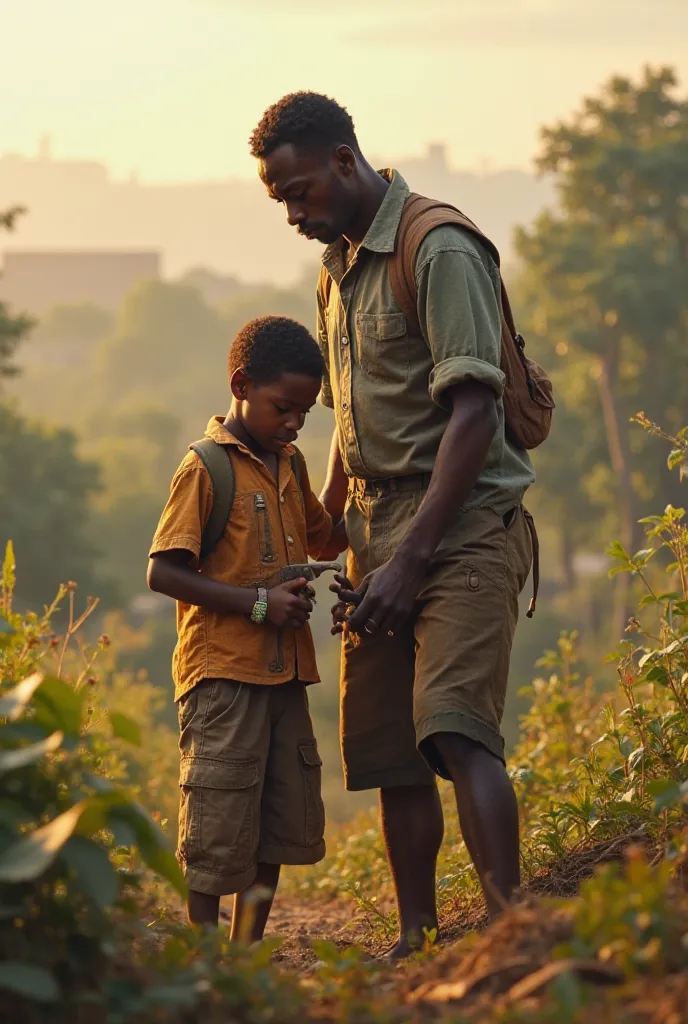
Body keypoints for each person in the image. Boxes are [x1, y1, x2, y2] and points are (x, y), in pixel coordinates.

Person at [250, 93, 536, 957]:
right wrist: (333, 520)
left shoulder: (437, 247)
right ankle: (418, 942)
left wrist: (412, 562)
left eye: (300, 192)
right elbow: (351, 417)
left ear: (345, 161)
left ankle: (513, 936)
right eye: (280, 201)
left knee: (452, 726)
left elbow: (475, 411)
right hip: (378, 532)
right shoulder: (338, 266)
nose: (294, 214)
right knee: (390, 752)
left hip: (464, 525)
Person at [147, 315, 345, 939]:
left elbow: (327, 534)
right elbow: (163, 572)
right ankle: (206, 956)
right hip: (223, 680)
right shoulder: (206, 468)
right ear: (240, 384)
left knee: (276, 819)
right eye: (282, 407)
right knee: (217, 817)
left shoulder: (290, 462)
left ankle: (248, 952)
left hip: (284, 676)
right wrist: (259, 604)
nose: (292, 423)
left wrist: (352, 444)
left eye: (305, 415)